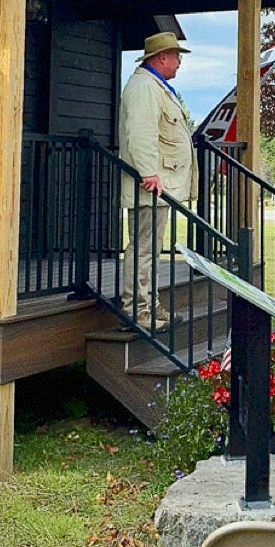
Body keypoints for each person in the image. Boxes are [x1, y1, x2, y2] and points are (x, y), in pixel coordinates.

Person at [118, 31, 197, 328]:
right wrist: (149, 172)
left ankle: (150, 307)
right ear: (161, 57)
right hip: (150, 185)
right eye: (176, 56)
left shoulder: (154, 86)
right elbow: (140, 134)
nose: (178, 63)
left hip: (159, 185)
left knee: (150, 249)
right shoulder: (144, 87)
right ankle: (137, 311)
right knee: (143, 248)